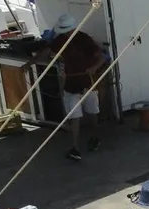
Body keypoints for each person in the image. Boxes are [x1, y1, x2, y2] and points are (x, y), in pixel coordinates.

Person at [28, 14, 106, 161]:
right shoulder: (60, 40)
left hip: (88, 82)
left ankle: (95, 137)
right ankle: (75, 148)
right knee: (75, 117)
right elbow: (46, 52)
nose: (66, 33)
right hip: (71, 84)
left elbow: (101, 56)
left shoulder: (84, 39)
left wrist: (94, 67)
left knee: (93, 113)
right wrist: (30, 63)